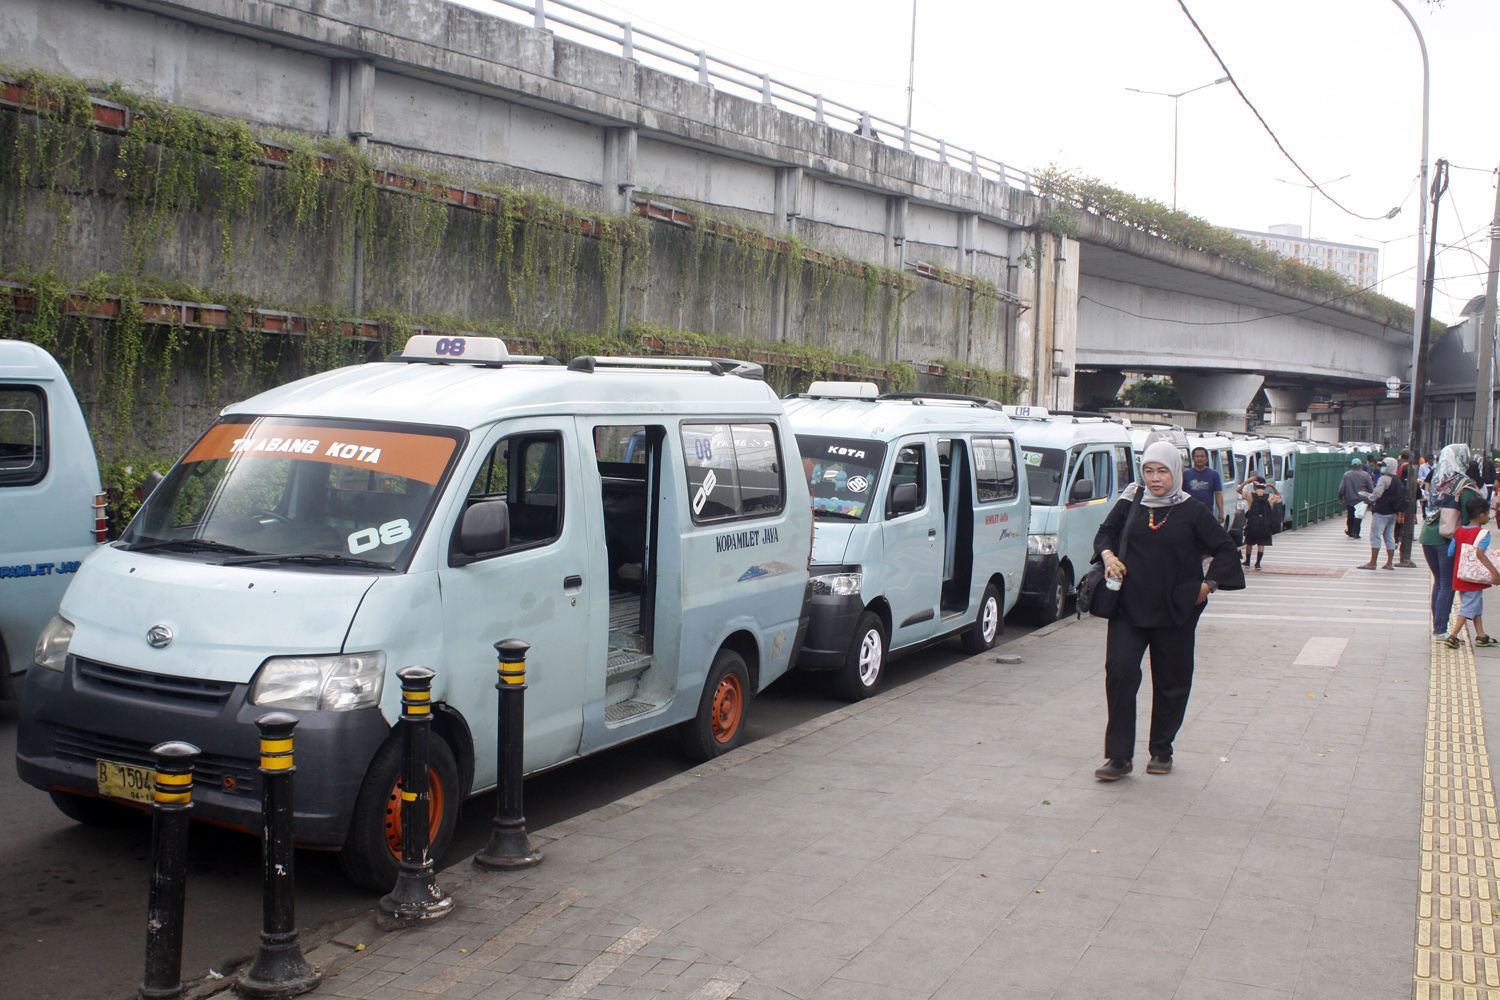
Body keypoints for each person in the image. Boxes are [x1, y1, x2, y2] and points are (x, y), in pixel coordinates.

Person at [1091, 441, 1245, 781]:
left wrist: (1207, 587)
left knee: (1171, 682)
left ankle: (1161, 749)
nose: (1155, 478)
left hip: (1176, 609)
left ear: (1175, 472)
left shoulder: (1192, 510)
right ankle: (1119, 756)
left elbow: (1226, 550)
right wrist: (1108, 557)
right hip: (1128, 607)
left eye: (1162, 471)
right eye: (1149, 470)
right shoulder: (1131, 500)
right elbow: (1105, 534)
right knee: (1119, 673)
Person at [1422, 445, 1481, 638]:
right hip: (1447, 539)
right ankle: (1440, 629)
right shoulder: (1463, 484)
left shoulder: (1438, 479)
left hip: (1428, 536)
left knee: (1439, 582)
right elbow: (1469, 518)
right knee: (1447, 584)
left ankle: (1437, 626)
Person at [1443, 497, 1500, 649]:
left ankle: (1481, 635)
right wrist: (1494, 572)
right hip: (1474, 579)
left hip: (1461, 575)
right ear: (1482, 515)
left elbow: (1451, 552)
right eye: (1488, 514)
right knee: (1468, 606)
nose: (1489, 517)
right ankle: (1453, 635)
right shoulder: (1483, 534)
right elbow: (1480, 553)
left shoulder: (1459, 531)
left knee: (1476, 605)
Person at [1361, 458, 1403, 570]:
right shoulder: (1396, 479)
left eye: (1384, 465)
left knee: (1375, 535)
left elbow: (1377, 494)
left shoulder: (1384, 479)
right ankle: (1389, 563)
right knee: (1389, 536)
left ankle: (1373, 562)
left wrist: (1369, 497)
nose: (1382, 467)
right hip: (1392, 511)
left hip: (1381, 511)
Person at [1240, 474, 1280, 570]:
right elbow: (1279, 497)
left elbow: (1238, 490)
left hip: (1252, 523)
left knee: (1249, 542)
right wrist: (1273, 487)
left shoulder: (1250, 495)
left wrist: (1247, 481)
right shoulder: (1269, 496)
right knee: (1261, 543)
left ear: (1254, 486)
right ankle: (1258, 563)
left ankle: (1247, 561)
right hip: (1265, 524)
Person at [1183, 447, 1224, 521]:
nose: (1200, 459)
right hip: (1189, 513)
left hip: (1207, 512)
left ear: (1207, 459)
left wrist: (1221, 512)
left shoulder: (1214, 474)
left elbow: (1218, 493)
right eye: (1197, 456)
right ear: (1193, 459)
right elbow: (1182, 494)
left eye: (1202, 456)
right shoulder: (1186, 474)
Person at [1338, 457, 1373, 539]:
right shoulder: (1366, 475)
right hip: (1361, 500)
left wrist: (1340, 497)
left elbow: (1341, 488)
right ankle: (1356, 533)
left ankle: (1350, 530)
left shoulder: (1347, 475)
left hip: (1349, 499)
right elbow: (1370, 488)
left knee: (1350, 515)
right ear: (1361, 465)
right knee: (1359, 516)